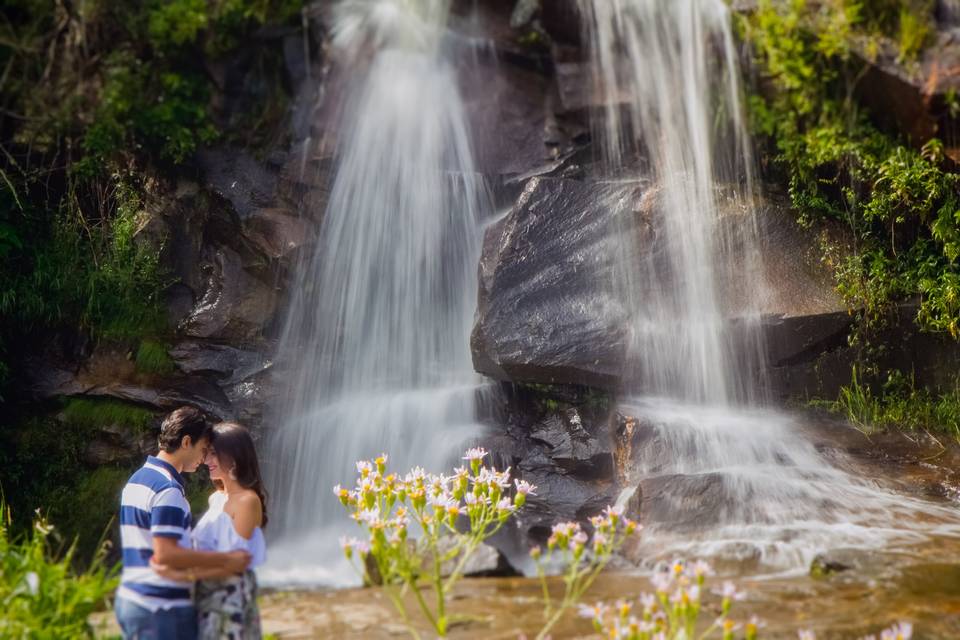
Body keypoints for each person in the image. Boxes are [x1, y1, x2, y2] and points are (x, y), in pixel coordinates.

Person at [115, 406, 251, 640]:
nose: (204, 458)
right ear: (186, 442)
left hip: (132, 599)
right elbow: (166, 553)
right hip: (160, 608)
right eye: (203, 449)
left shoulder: (137, 479)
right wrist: (226, 560)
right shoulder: (168, 490)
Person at [153, 422, 267, 640]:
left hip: (230, 599)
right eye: (206, 453)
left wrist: (181, 575)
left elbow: (235, 566)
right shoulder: (216, 498)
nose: (206, 460)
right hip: (205, 596)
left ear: (234, 457)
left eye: (214, 454)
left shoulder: (247, 501)